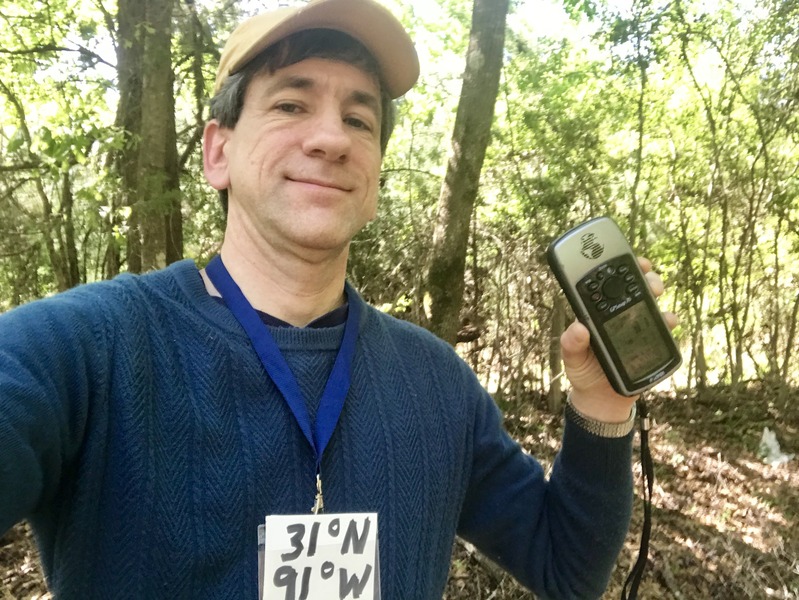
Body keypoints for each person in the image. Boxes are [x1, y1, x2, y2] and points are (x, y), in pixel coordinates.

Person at [0, 0, 677, 598]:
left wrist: (601, 407)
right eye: (291, 104)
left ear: (375, 176)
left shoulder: (435, 380)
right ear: (217, 153)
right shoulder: (82, 350)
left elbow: (566, 568)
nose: (330, 138)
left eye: (360, 118)